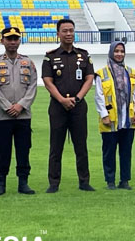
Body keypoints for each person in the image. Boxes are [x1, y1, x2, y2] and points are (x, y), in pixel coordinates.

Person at [41, 19, 95, 193]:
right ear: (58, 34)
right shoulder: (50, 56)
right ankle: (54, 183)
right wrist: (62, 100)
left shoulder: (83, 55)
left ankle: (84, 181)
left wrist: (77, 98)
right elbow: (48, 81)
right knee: (56, 147)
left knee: (81, 145)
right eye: (65, 31)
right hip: (58, 107)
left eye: (71, 30)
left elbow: (89, 78)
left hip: (78, 107)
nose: (69, 34)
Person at [0, 27, 38, 195]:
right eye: (9, 39)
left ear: (19, 41)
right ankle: (1, 183)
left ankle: (23, 182)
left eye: (16, 38)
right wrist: (8, 106)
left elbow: (32, 87)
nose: (13, 42)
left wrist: (21, 105)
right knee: (3, 150)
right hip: (3, 116)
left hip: (23, 115)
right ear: (2, 40)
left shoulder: (28, 62)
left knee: (23, 149)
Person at [94, 40, 135, 190]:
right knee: (109, 151)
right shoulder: (102, 73)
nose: (119, 54)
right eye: (117, 51)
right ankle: (110, 181)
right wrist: (103, 115)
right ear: (111, 52)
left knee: (126, 151)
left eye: (122, 51)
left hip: (128, 118)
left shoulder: (131, 72)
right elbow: (99, 96)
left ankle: (125, 180)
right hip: (110, 118)